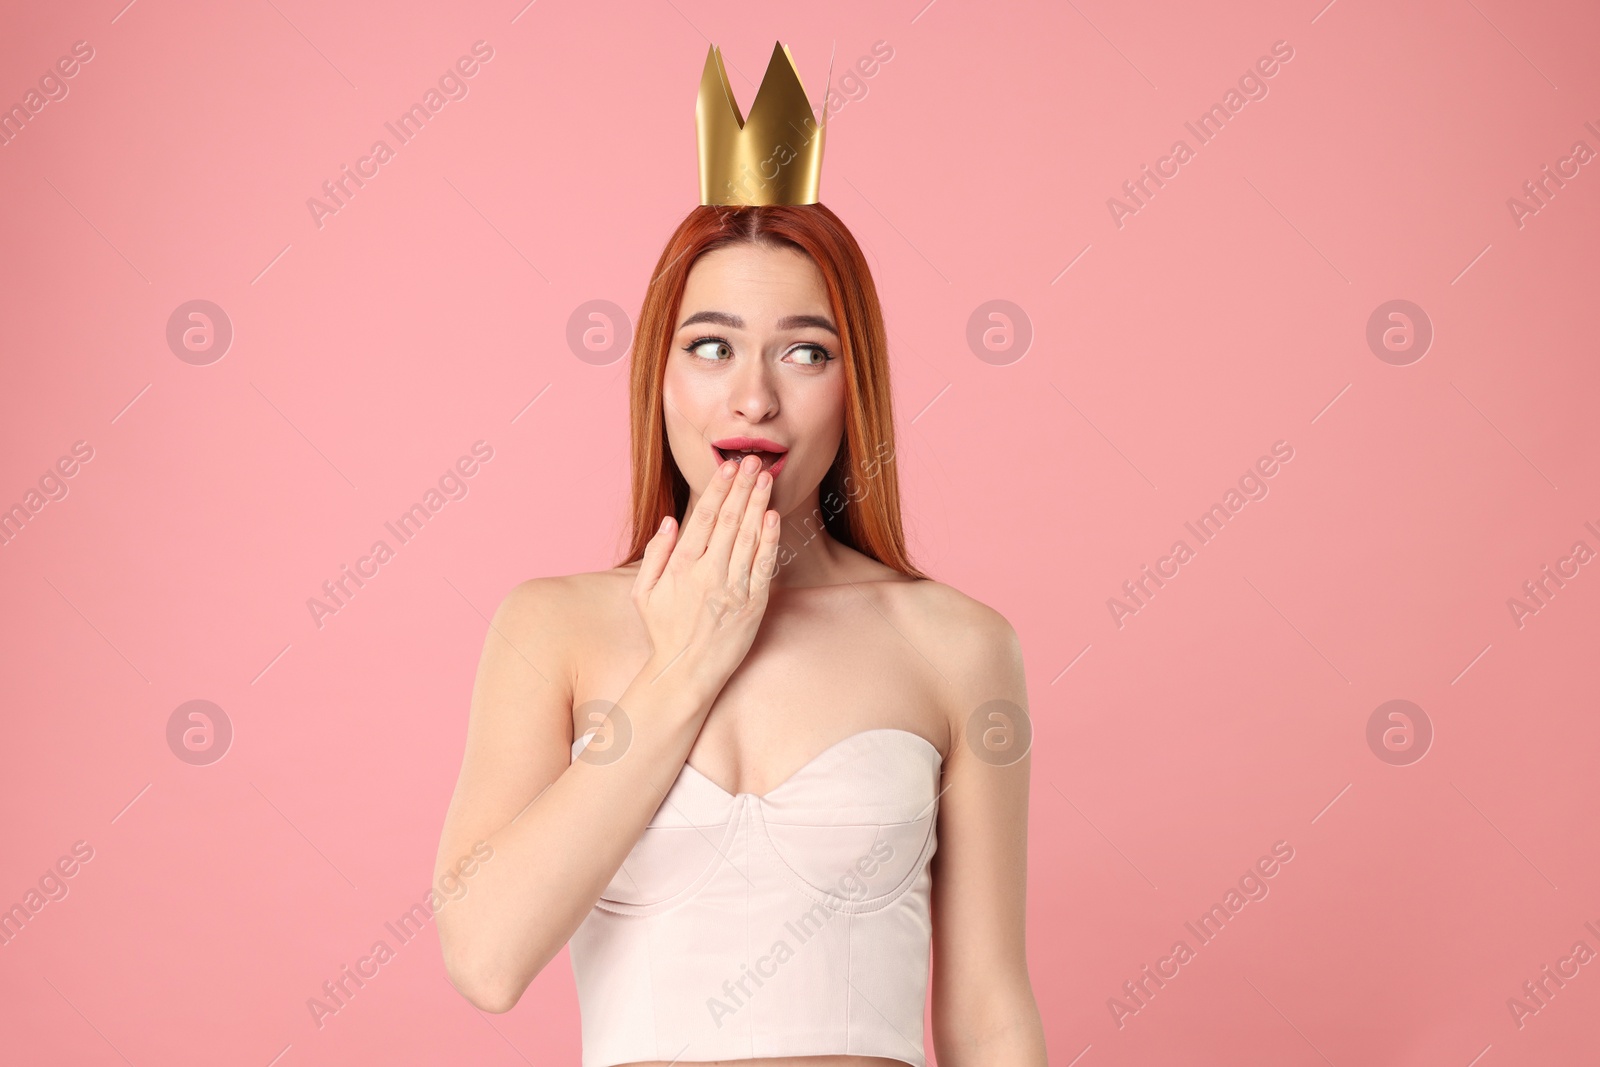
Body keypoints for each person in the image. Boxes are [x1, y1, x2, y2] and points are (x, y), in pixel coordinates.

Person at [434, 41, 1046, 1067]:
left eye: (806, 350)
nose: (753, 395)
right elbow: (485, 956)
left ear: (857, 386)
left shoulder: (959, 644)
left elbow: (988, 1010)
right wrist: (685, 662)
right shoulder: (552, 626)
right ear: (658, 378)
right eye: (710, 345)